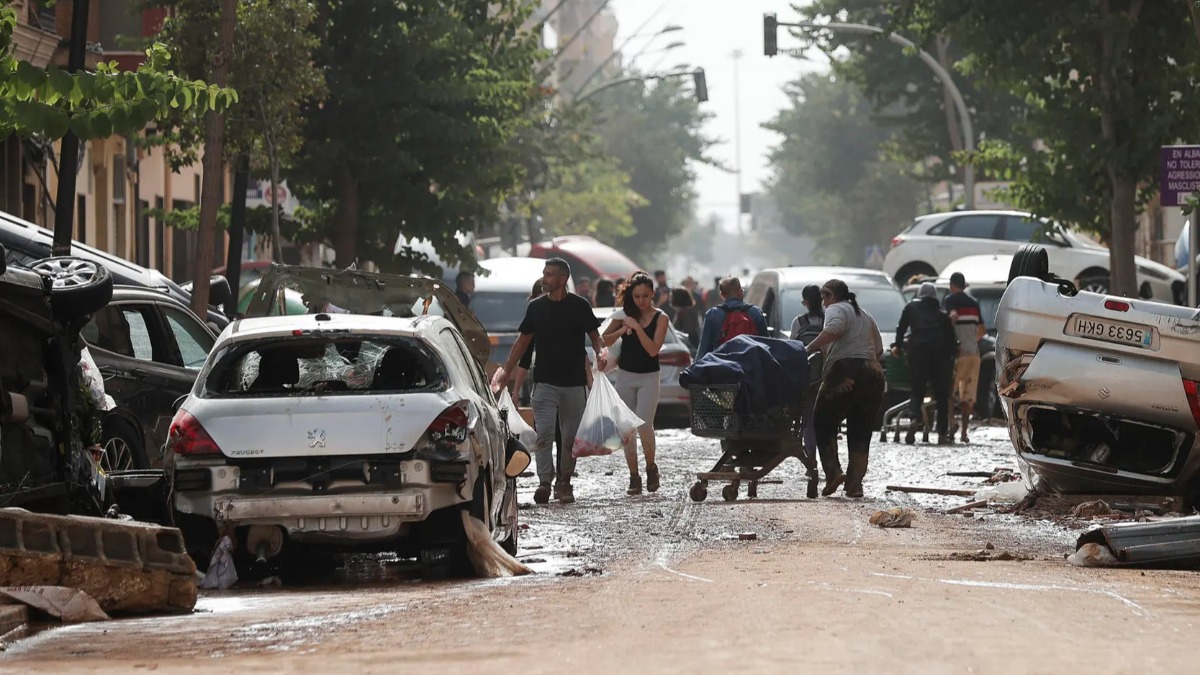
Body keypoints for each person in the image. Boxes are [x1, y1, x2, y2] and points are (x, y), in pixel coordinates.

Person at [496, 259, 605, 505]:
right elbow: (522, 342)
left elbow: (595, 337)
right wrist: (506, 372)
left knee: (569, 438)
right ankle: (544, 481)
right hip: (544, 383)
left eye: (549, 274)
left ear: (563, 279)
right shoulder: (536, 308)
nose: (544, 278)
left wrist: (601, 353)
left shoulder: (579, 306)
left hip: (574, 384)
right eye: (544, 274)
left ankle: (564, 481)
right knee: (544, 433)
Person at [804, 279, 885, 498]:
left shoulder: (836, 309)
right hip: (874, 374)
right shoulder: (865, 315)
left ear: (830, 296)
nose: (823, 303)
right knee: (861, 430)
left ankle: (833, 473)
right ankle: (855, 484)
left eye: (824, 298)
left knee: (822, 420)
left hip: (844, 371)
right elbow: (879, 349)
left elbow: (835, 329)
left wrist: (809, 347)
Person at [602, 272, 669, 495]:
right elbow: (604, 340)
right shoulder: (623, 315)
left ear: (652, 295)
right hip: (626, 376)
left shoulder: (661, 318)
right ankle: (634, 476)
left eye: (646, 296)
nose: (641, 301)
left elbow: (652, 350)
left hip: (649, 376)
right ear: (631, 295)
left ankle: (651, 467)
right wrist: (623, 328)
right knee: (627, 428)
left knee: (644, 425)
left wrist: (638, 327)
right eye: (637, 296)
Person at [894, 282, 958, 446]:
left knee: (917, 391)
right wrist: (951, 357)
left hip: (918, 354)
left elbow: (901, 328)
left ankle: (915, 418)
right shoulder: (942, 315)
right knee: (941, 396)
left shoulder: (911, 308)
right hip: (939, 357)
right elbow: (952, 342)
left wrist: (898, 346)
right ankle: (942, 433)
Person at [943, 272, 986, 443]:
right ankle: (964, 433)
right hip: (974, 354)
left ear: (952, 285)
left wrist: (949, 334)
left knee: (950, 392)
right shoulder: (974, 303)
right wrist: (971, 340)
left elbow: (952, 316)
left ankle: (952, 424)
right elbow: (982, 330)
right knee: (968, 395)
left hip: (957, 353)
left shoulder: (950, 299)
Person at [788, 285, 825, 463]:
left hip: (808, 378)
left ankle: (811, 457)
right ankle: (829, 461)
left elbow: (792, 349)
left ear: (806, 302)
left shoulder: (798, 322)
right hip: (829, 377)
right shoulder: (830, 321)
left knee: (808, 418)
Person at [695, 277, 769, 361]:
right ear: (740, 291)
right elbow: (766, 344)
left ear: (722, 295)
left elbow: (703, 349)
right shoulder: (755, 312)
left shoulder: (713, 314)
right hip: (752, 367)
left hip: (722, 367)